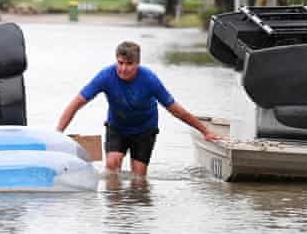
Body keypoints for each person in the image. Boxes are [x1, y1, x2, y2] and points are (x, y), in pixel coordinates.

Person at [56, 41, 219, 176]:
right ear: (116, 60)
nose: (124, 69)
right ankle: (116, 208)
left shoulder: (149, 80)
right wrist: (57, 133)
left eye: (129, 64)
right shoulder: (106, 76)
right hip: (117, 127)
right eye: (120, 63)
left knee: (139, 177)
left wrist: (205, 131)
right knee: (112, 166)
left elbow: (177, 111)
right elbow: (76, 104)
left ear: (138, 64)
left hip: (144, 130)